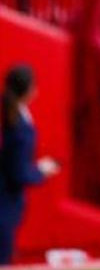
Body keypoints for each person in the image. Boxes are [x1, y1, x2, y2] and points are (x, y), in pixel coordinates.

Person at [1, 65, 59, 265]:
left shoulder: (12, 116)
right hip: (5, 204)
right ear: (29, 90)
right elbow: (17, 173)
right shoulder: (18, 127)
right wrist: (41, 171)